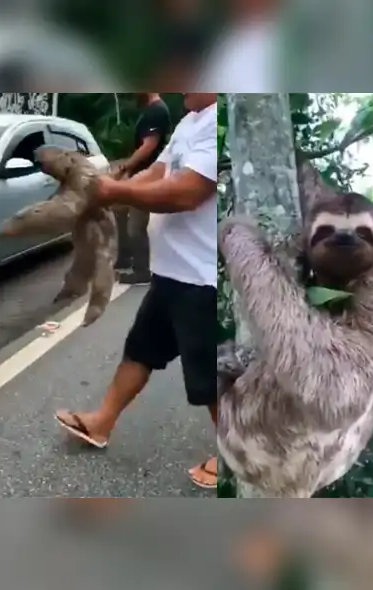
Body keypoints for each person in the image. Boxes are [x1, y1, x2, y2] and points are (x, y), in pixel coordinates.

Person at [54, 93, 219, 489]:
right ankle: (102, 422)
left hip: (203, 278)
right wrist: (111, 191)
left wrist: (115, 193)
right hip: (172, 271)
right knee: (141, 349)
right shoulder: (189, 122)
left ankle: (238, 456)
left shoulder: (221, 121)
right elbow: (160, 173)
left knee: (211, 379)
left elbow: (187, 191)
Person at [114, 93, 172, 285]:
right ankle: (124, 256)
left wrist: (125, 167)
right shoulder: (148, 110)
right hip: (139, 175)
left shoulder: (156, 111)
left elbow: (148, 146)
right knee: (119, 209)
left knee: (136, 226)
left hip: (148, 177)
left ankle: (142, 270)